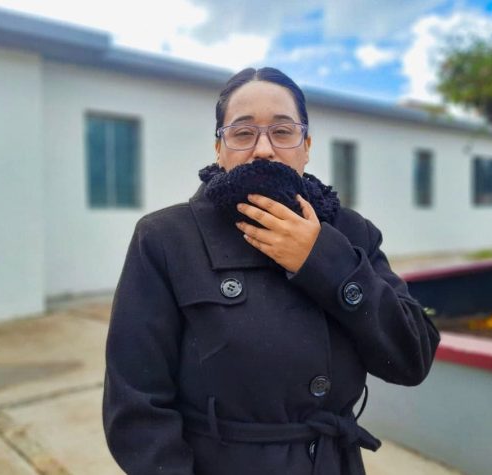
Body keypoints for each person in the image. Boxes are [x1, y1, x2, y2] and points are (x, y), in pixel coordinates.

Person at [103, 67, 440, 475]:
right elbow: (136, 409)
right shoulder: (165, 238)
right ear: (219, 147)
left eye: (282, 131)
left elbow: (411, 357)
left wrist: (324, 261)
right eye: (243, 132)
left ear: (306, 145)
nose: (263, 149)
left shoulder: (351, 232)